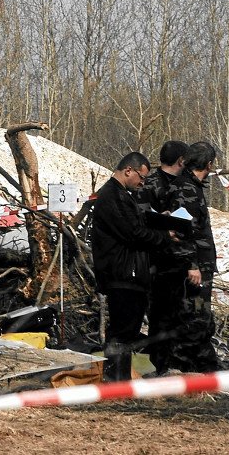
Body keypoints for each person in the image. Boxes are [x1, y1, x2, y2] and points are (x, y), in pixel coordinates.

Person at [92, 152, 175, 381]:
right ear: (128, 170)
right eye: (141, 177)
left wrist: (160, 220)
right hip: (122, 272)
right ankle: (115, 380)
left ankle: (120, 379)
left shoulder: (123, 196)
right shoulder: (112, 196)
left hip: (130, 272)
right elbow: (133, 233)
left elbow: (136, 224)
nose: (142, 183)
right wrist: (165, 235)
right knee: (122, 329)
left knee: (128, 329)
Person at [156, 141, 220, 373]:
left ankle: (201, 368)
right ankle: (185, 368)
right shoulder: (187, 189)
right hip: (193, 268)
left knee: (199, 318)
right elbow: (180, 231)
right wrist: (192, 265)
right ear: (209, 164)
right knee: (195, 319)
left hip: (197, 265)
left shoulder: (187, 186)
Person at [136, 140, 188, 373]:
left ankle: (172, 361)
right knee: (160, 315)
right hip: (158, 260)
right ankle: (160, 365)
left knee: (176, 314)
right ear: (181, 160)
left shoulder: (179, 183)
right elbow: (142, 220)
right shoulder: (152, 184)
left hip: (177, 259)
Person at [136, 140, 189, 212]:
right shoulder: (147, 186)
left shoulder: (187, 184)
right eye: (187, 160)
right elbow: (141, 218)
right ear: (181, 160)